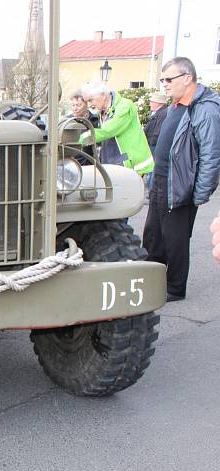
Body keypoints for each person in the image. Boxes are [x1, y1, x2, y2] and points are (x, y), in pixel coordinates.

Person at [142, 57, 220, 302]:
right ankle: (152, 282)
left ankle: (175, 288)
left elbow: (211, 154)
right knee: (153, 235)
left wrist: (198, 194)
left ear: (187, 78)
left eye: (168, 79)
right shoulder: (176, 105)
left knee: (174, 239)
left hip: (180, 185)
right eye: (162, 79)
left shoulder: (205, 109)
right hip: (161, 180)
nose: (164, 84)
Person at [79, 82, 153, 176]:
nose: (89, 105)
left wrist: (78, 139)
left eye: (90, 100)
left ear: (103, 95)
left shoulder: (125, 106)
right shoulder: (103, 111)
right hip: (116, 165)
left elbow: (108, 131)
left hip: (132, 167)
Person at [142, 93, 169, 193]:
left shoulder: (162, 114)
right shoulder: (160, 113)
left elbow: (157, 132)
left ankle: (152, 191)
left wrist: (150, 144)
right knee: (151, 171)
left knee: (152, 171)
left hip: (154, 146)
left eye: (152, 102)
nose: (150, 104)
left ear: (158, 103)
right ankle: (152, 191)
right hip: (153, 145)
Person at [67, 90, 100, 165]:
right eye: (73, 105)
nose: (75, 108)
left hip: (90, 165)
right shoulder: (68, 121)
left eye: (78, 105)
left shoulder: (95, 120)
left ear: (86, 104)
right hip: (72, 164)